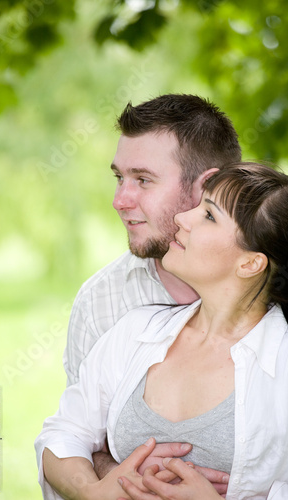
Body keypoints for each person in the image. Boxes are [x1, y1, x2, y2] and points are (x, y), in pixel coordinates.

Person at [35, 162, 288, 500]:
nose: (182, 218)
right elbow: (63, 433)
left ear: (250, 264)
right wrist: (95, 492)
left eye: (209, 216)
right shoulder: (136, 331)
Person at [64, 93, 242, 489]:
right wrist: (123, 478)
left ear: (208, 185)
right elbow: (77, 434)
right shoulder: (101, 301)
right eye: (119, 177)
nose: (119, 200)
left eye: (142, 180)